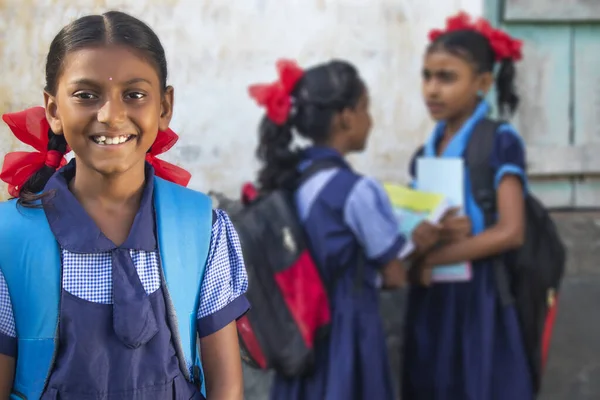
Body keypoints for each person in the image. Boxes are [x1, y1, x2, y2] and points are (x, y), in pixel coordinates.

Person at [0, 11, 248, 400]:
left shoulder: (201, 228)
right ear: (52, 110)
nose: (111, 116)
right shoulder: (8, 238)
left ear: (165, 107)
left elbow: (226, 387)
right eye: (85, 95)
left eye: (134, 95)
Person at [248, 59, 438, 400]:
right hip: (346, 335)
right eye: (366, 109)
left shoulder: (287, 179)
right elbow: (393, 275)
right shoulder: (357, 191)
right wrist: (421, 246)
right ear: (346, 117)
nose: (371, 120)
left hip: (300, 334)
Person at [402, 12, 532, 399]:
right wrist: (422, 247)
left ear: (483, 83)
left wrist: (434, 259)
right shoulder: (423, 153)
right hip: (433, 295)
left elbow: (511, 231)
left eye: (447, 77)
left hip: (482, 297)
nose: (432, 90)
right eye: (427, 76)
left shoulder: (499, 141)